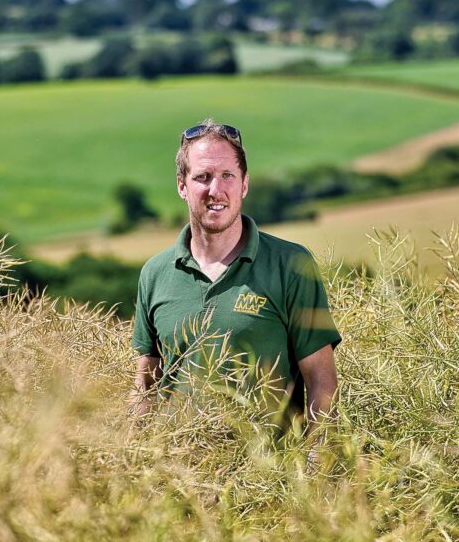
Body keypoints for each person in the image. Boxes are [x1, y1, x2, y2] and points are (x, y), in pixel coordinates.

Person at [130, 118, 341, 431]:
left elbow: (322, 383)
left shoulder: (291, 264)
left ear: (244, 183)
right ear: (182, 186)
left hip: (269, 475)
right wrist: (130, 460)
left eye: (227, 175)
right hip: (177, 474)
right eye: (203, 177)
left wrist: (314, 469)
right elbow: (145, 387)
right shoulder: (155, 273)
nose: (216, 190)